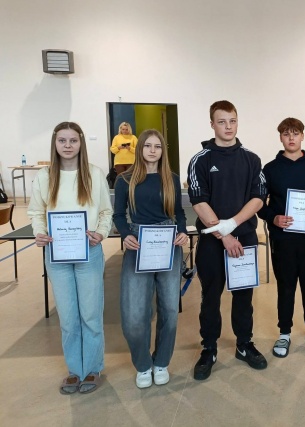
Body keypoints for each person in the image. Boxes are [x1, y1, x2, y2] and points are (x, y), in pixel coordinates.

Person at [28, 122, 113, 394]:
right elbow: (36, 212)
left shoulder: (94, 174)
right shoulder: (44, 176)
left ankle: (93, 368)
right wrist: (40, 233)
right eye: (62, 140)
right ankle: (75, 371)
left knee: (90, 315)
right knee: (68, 318)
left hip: (89, 252)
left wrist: (101, 233)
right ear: (54, 143)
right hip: (57, 255)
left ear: (81, 143)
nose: (67, 145)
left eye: (73, 140)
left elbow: (106, 212)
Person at [187, 100, 267, 380]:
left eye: (232, 121)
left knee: (244, 296)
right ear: (212, 124)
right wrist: (225, 235)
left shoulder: (252, 159)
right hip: (213, 242)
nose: (228, 126)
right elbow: (199, 202)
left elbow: (258, 198)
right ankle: (209, 348)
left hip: (244, 239)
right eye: (222, 121)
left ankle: (244, 344)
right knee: (210, 297)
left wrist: (233, 225)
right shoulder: (200, 160)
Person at [113, 129, 188, 388]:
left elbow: (179, 213)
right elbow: (118, 215)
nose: (152, 150)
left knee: (169, 310)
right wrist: (125, 235)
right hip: (138, 244)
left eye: (157, 146)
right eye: (148, 146)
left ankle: (161, 362)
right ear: (140, 148)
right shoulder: (124, 180)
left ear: (162, 150)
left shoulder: (172, 179)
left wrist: (182, 231)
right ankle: (143, 365)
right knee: (134, 314)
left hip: (169, 244)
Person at [257, 118, 305, 358]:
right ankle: (284, 333)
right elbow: (259, 204)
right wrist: (274, 218)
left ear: (302, 136)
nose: (291, 138)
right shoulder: (270, 169)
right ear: (280, 137)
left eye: (296, 133)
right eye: (286, 134)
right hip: (282, 240)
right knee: (286, 286)